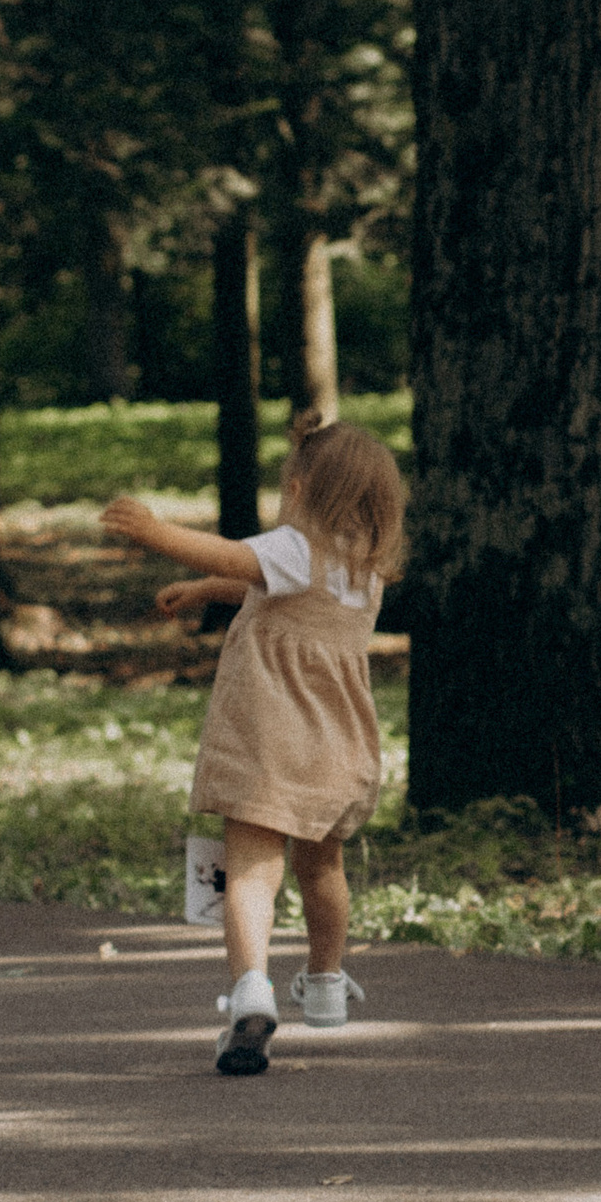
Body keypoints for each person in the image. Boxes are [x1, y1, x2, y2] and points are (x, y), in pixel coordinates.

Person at [104, 413, 407, 1075]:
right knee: (323, 869)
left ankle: (251, 991)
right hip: (335, 749)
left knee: (250, 870)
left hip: (271, 742)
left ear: (298, 492)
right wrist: (208, 592)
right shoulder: (362, 573)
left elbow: (239, 557)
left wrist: (156, 533)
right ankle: (325, 983)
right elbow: (254, 577)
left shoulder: (295, 549)